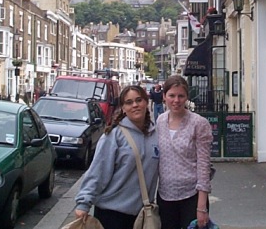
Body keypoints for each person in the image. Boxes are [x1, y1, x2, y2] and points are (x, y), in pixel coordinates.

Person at [74, 85, 159, 229]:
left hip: (143, 216)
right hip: (112, 214)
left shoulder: (156, 135)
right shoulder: (114, 135)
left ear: (146, 102)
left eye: (139, 100)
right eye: (129, 102)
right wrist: (84, 202)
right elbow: (98, 170)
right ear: (123, 108)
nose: (135, 105)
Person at [156, 75, 213, 229]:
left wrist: (201, 206)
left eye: (181, 96)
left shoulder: (199, 123)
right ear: (164, 96)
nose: (176, 100)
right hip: (165, 196)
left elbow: (203, 165)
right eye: (172, 95)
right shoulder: (160, 121)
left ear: (187, 97)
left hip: (191, 196)